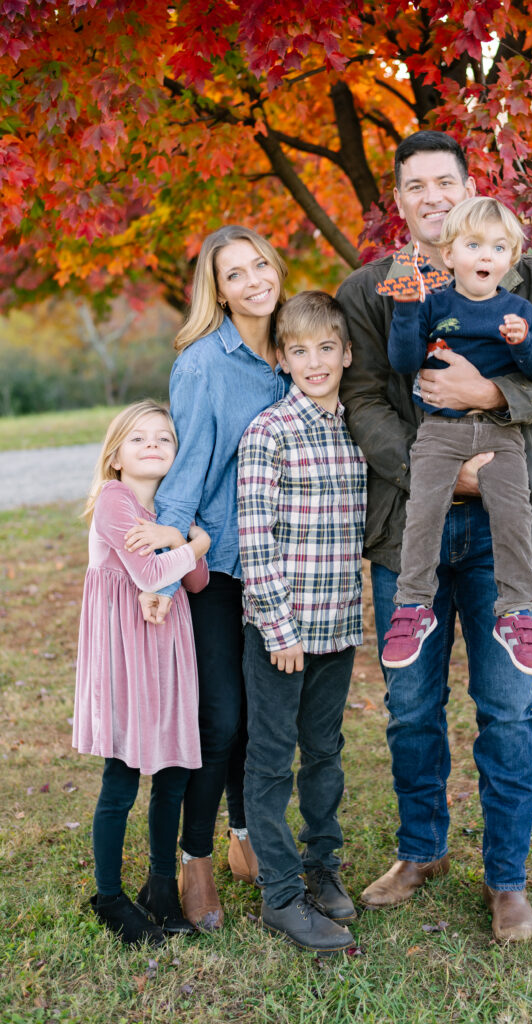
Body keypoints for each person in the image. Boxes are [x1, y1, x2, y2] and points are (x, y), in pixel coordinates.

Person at [336, 130, 532, 942]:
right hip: (406, 527)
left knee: (506, 706)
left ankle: (506, 878)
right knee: (410, 708)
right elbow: (363, 400)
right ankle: (421, 852)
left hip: (504, 530)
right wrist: (434, 477)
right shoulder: (370, 289)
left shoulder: (528, 276)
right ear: (400, 201)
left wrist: (491, 392)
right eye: (414, 186)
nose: (432, 196)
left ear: (465, 186)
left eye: (444, 181)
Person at [127, 226, 289, 931]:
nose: (254, 280)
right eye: (235, 273)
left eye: (261, 264)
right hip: (216, 563)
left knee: (260, 721)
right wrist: (163, 577)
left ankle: (245, 840)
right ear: (216, 290)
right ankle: (194, 861)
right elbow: (185, 473)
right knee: (219, 717)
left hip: (278, 564)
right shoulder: (203, 364)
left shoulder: (293, 351)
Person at [237, 291, 366, 954]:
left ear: (345, 353)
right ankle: (282, 895)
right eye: (299, 351)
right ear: (281, 359)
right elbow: (255, 538)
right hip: (281, 634)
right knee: (269, 761)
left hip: (338, 624)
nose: (314, 361)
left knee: (324, 752)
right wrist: (276, 628)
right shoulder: (270, 431)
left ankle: (323, 862)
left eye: (325, 348)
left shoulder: (356, 428)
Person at [382, 196, 532, 676]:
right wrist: (405, 309)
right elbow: (402, 361)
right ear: (449, 253)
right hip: (440, 431)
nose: (486, 256)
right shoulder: (434, 303)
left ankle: (517, 613)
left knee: (514, 513)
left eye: (498, 247)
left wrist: (523, 344)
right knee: (423, 509)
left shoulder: (519, 309)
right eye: (474, 245)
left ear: (511, 258)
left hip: (502, 434)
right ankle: (414, 604)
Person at [73, 400, 210, 945]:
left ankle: (160, 886)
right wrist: (195, 542)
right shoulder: (114, 500)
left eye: (164, 438)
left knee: (173, 773)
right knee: (122, 776)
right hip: (124, 653)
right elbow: (150, 572)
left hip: (168, 650)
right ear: (115, 457)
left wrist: (180, 538)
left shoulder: (171, 511)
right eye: (138, 438)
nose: (153, 445)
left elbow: (195, 585)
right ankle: (108, 896)